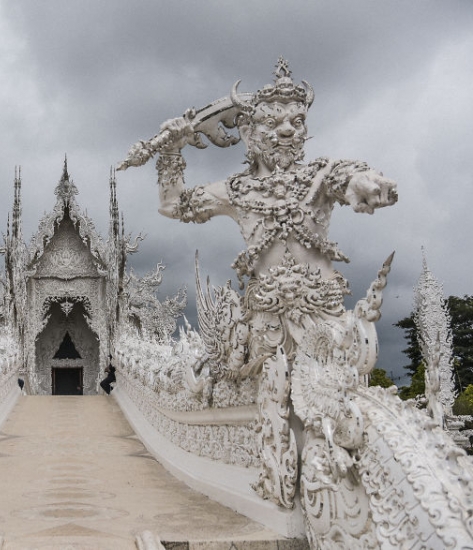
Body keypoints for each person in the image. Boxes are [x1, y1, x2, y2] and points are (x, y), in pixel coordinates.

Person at [150, 58, 397, 507]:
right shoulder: (236, 191)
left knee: (344, 416)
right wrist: (171, 149)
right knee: (277, 416)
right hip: (265, 328)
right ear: (248, 132)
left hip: (326, 326)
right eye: (272, 121)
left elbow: (352, 177)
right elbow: (172, 205)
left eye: (296, 121)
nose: (287, 130)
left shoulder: (321, 177)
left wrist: (368, 182)